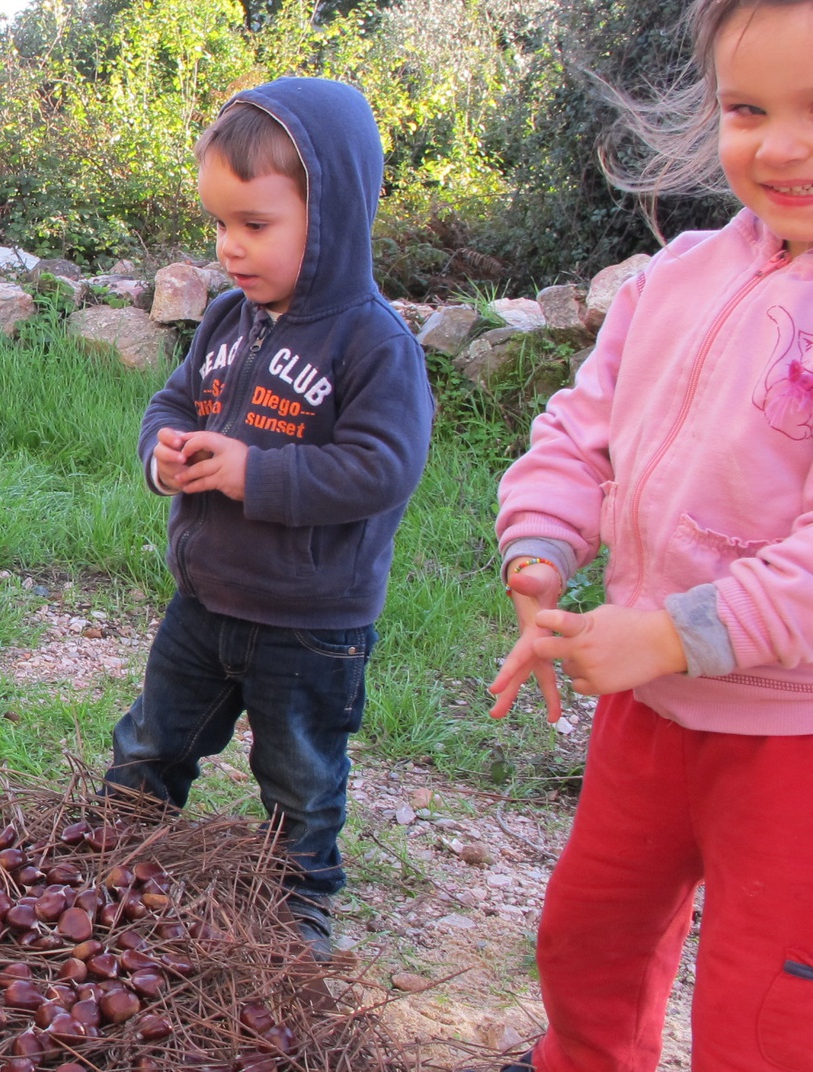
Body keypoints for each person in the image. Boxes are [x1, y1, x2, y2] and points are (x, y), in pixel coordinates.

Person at [488, 0, 813, 1066]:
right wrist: (539, 543)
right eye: (746, 108)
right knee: (588, 938)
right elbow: (582, 426)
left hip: (788, 739)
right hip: (649, 709)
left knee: (764, 1011)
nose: (776, 146)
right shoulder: (674, 277)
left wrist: (668, 632)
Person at [102, 79, 434, 960]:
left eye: (255, 225)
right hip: (206, 599)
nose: (230, 248)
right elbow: (172, 400)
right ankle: (110, 854)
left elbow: (383, 467)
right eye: (218, 225)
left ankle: (299, 907)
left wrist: (258, 474)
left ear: (332, 214)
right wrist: (163, 451)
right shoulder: (226, 318)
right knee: (151, 742)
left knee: (301, 781)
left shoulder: (372, 341)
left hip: (313, 621)